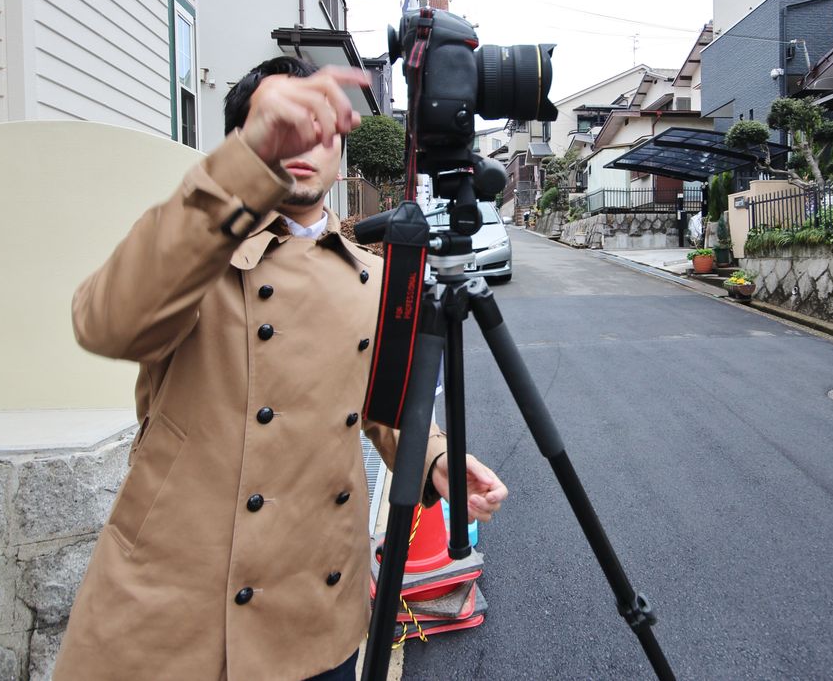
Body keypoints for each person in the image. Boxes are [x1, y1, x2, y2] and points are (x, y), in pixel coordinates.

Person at [54, 56, 508, 681]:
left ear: (342, 148)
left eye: (318, 124)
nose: (302, 141)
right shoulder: (194, 252)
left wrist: (435, 458)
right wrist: (239, 173)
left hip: (315, 612)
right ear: (244, 142)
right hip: (171, 615)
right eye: (281, 123)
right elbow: (105, 323)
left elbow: (389, 405)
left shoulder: (375, 278)